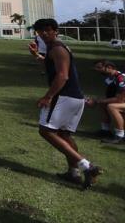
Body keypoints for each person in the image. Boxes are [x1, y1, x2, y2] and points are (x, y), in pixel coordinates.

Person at [32, 18, 101, 188]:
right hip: (75, 98)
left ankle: (87, 166)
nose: (44, 33)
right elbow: (52, 67)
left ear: (56, 30)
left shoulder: (57, 48)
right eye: (40, 31)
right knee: (64, 135)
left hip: (64, 96)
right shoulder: (55, 48)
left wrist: (48, 97)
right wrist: (37, 56)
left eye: (48, 30)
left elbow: (63, 75)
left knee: (46, 131)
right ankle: (73, 173)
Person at [86, 60, 125, 144]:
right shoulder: (111, 78)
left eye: (99, 68)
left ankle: (120, 136)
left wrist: (97, 101)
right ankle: (105, 131)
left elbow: (120, 99)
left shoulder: (121, 78)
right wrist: (98, 101)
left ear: (109, 68)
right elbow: (110, 97)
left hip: (122, 100)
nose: (97, 70)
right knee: (103, 103)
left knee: (112, 106)